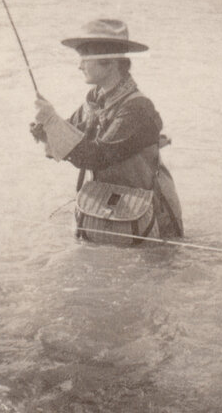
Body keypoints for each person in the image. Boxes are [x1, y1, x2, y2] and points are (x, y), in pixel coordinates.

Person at [31, 18, 184, 245]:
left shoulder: (137, 109)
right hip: (115, 211)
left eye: (84, 58)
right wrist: (46, 130)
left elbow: (96, 157)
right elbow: (74, 133)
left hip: (149, 221)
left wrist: (53, 121)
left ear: (110, 61)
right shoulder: (97, 98)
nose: (79, 66)